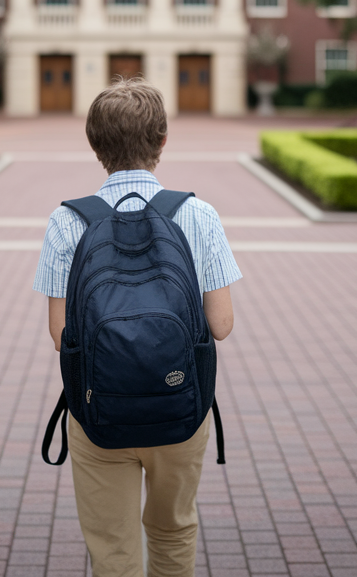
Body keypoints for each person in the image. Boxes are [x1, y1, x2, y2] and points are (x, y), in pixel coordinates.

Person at [33, 77, 241, 577]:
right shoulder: (198, 214)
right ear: (163, 141)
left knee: (112, 545)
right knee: (173, 529)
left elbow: (63, 337)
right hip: (181, 408)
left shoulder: (67, 221)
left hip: (98, 410)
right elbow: (221, 324)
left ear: (94, 145)